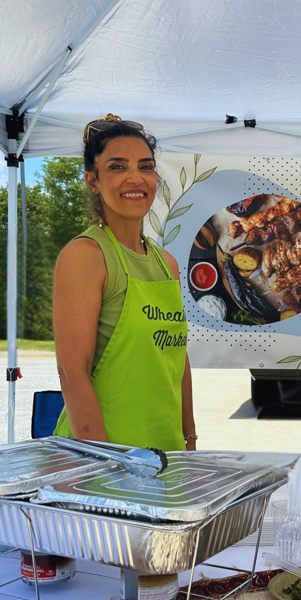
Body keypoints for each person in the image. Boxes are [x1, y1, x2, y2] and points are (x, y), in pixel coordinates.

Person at [53, 114, 197, 451]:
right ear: (93, 181)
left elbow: (177, 362)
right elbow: (72, 374)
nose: (135, 178)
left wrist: (189, 439)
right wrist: (107, 464)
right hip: (103, 460)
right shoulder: (86, 256)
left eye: (145, 167)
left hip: (166, 454)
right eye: (118, 167)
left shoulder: (168, 264)